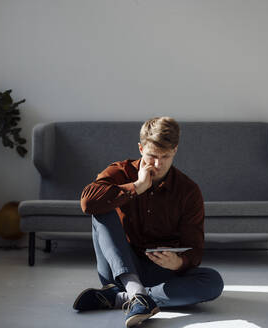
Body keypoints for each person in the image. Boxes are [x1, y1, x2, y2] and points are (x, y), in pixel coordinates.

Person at [73, 117, 224, 327]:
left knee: (213, 282)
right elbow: (87, 202)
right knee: (101, 207)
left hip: (162, 272)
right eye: (152, 155)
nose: (158, 164)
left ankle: (124, 298)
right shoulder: (121, 171)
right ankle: (134, 290)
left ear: (175, 150)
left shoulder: (189, 191)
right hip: (119, 269)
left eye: (166, 156)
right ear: (141, 148)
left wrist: (179, 262)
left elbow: (196, 250)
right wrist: (136, 187)